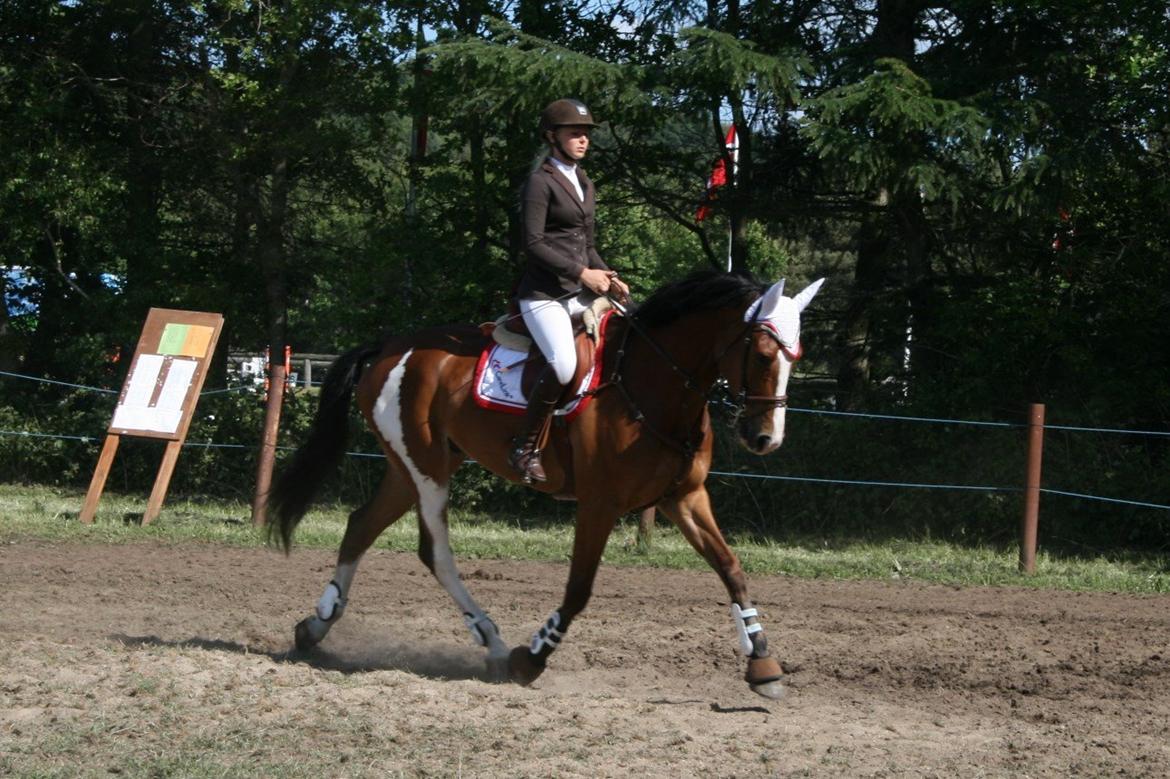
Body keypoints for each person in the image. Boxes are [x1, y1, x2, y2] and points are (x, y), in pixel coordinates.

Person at [508, 98, 629, 483]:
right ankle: (525, 449)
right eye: (574, 133)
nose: (583, 140)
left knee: (632, 337)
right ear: (551, 137)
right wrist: (582, 274)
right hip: (544, 296)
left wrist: (607, 273)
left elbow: (585, 243)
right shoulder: (540, 182)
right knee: (563, 364)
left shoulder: (584, 181)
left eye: (586, 134)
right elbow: (534, 243)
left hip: (579, 288)